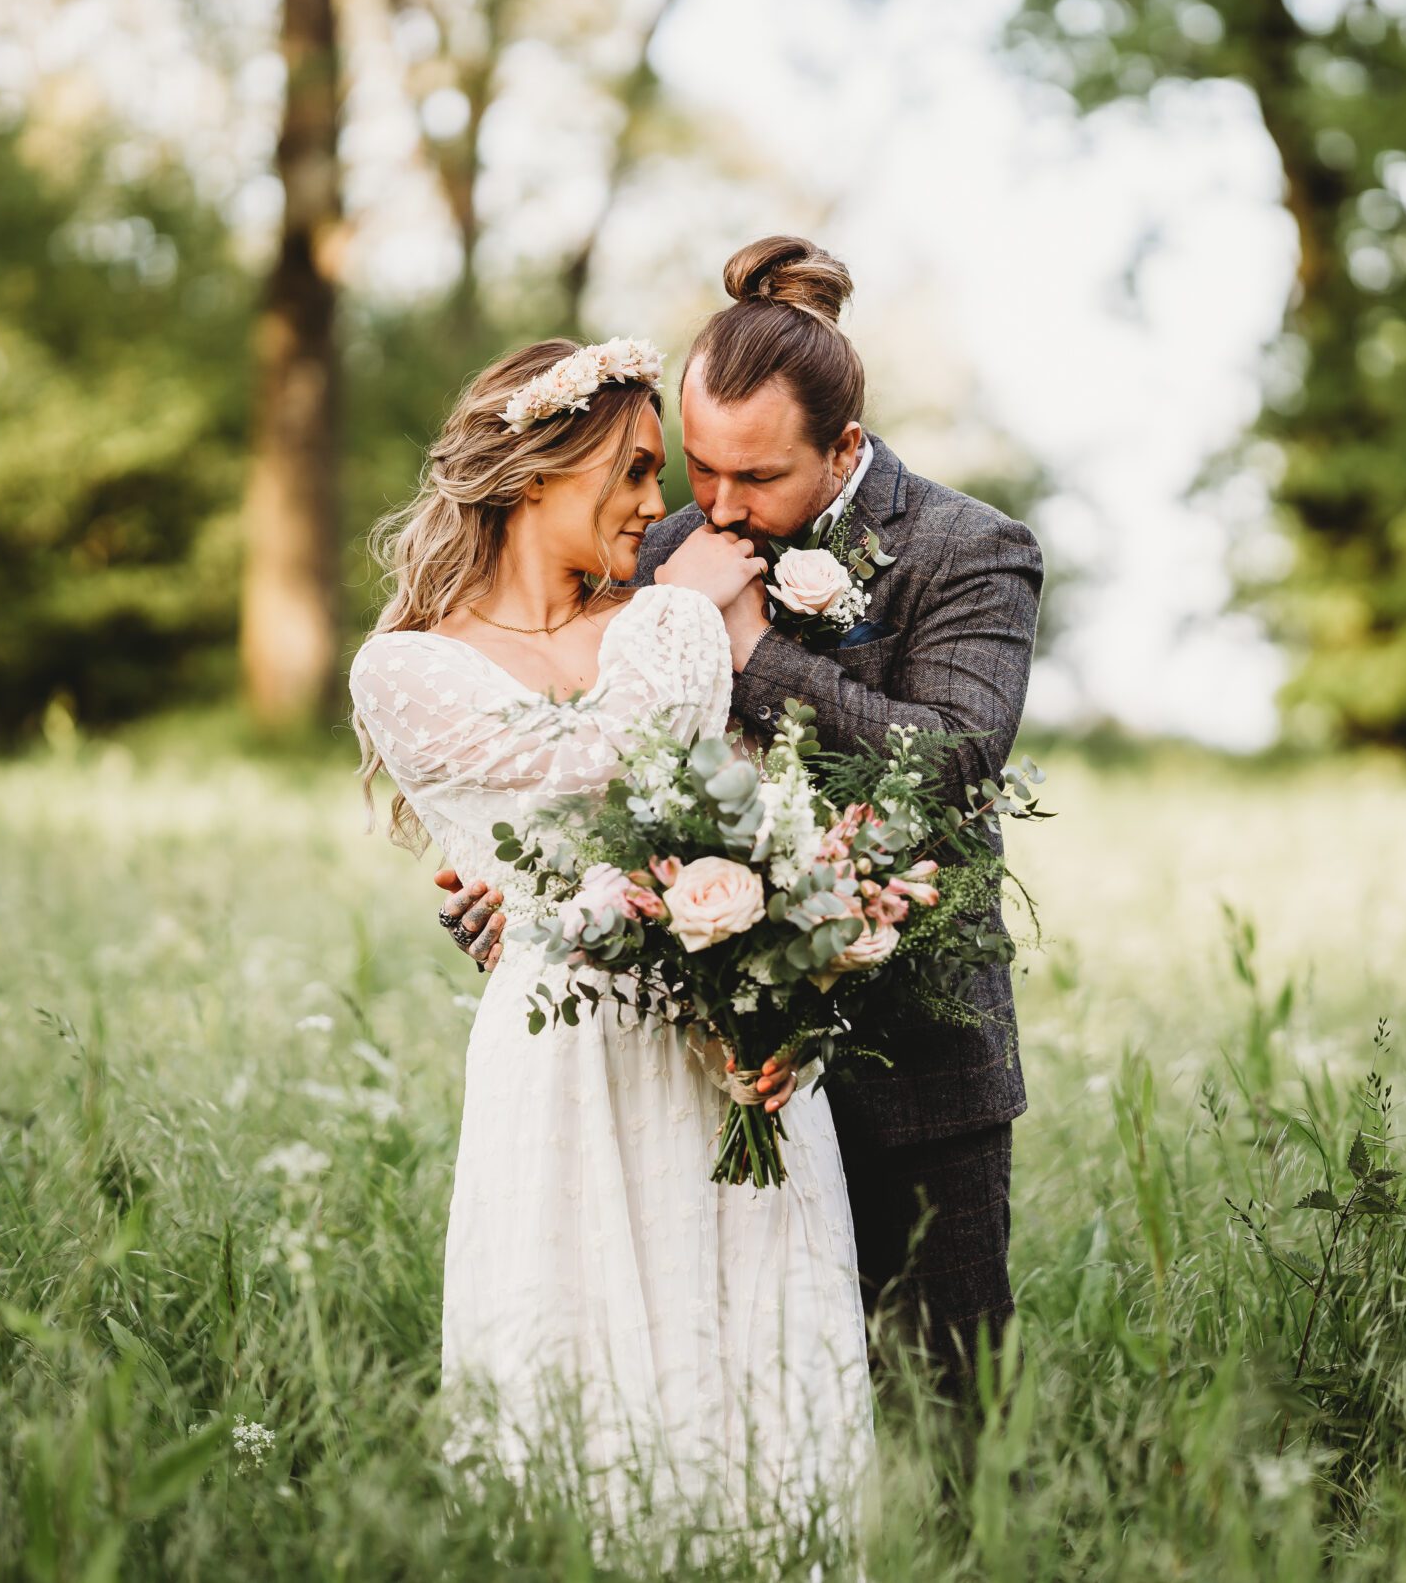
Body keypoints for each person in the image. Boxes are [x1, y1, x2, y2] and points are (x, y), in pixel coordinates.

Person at [437, 235, 1044, 1397]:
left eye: (756, 478)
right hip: (702, 1067)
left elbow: (953, 759)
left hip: (916, 1057)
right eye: (698, 468)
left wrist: (753, 650)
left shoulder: (969, 552)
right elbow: (596, 765)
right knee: (748, 1390)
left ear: (845, 448)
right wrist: (520, 897)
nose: (716, 506)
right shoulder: (660, 551)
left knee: (944, 1398)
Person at [346, 334, 871, 1548]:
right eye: (635, 472)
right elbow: (589, 781)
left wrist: (792, 1002)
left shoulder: (668, 615)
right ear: (540, 469)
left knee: (751, 1373)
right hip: (564, 1064)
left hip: (726, 1059)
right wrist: (687, 618)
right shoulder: (412, 666)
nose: (661, 504)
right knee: (581, 1367)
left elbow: (764, 822)